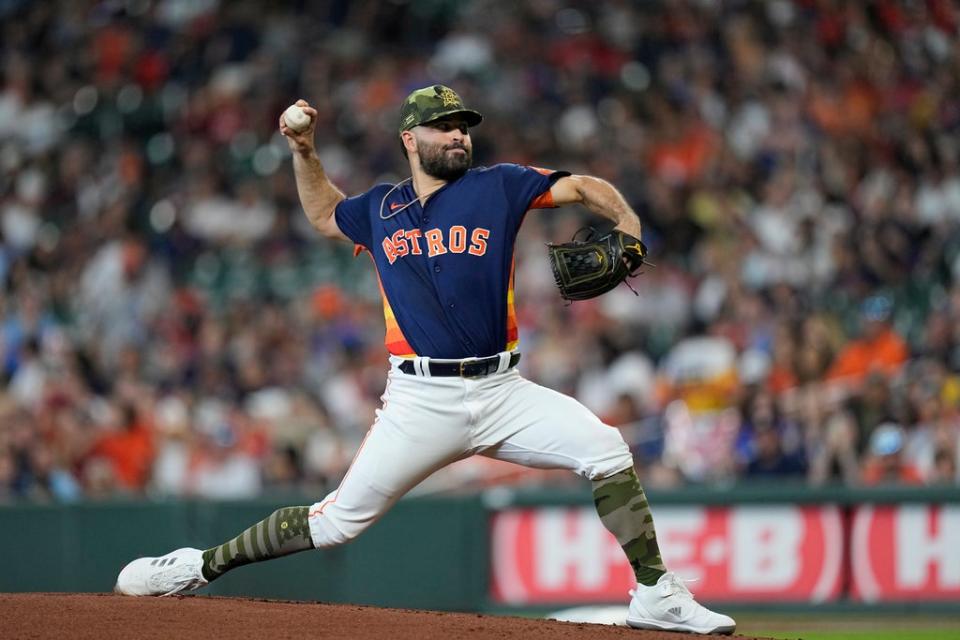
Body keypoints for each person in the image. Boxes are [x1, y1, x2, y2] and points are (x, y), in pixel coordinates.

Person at [114, 85, 735, 635]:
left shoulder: (499, 186)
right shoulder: (381, 209)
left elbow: (579, 186)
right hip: (420, 400)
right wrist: (304, 151)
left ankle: (656, 594)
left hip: (503, 390)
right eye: (444, 125)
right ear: (410, 138)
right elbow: (326, 213)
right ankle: (197, 566)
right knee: (334, 525)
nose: (459, 133)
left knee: (606, 449)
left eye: (464, 124)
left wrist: (626, 221)